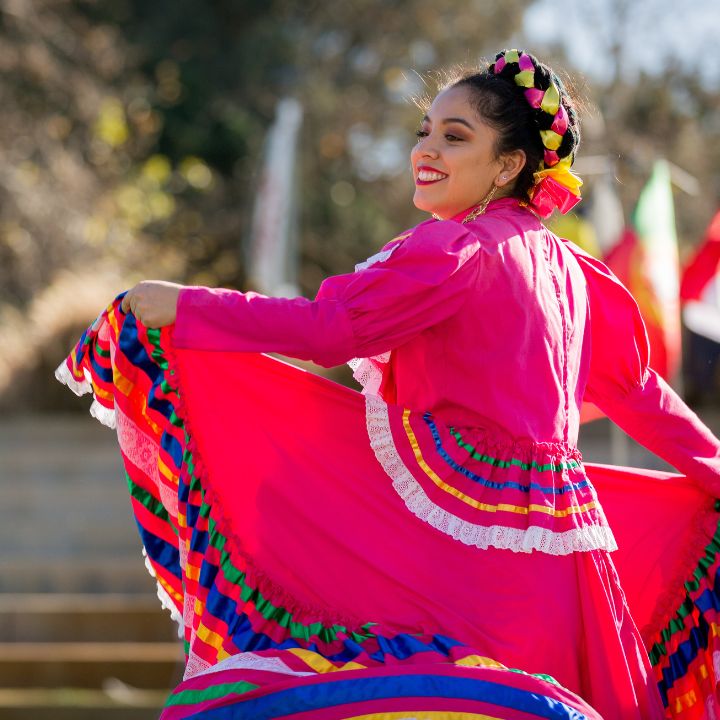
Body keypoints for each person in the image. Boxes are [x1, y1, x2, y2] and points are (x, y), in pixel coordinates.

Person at [64, 50, 720, 719]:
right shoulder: (576, 272)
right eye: (425, 132)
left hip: (464, 556)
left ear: (509, 165)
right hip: (567, 564)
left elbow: (331, 330)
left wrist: (186, 305)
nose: (426, 151)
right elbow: (644, 398)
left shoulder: (457, 251)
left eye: (455, 137)